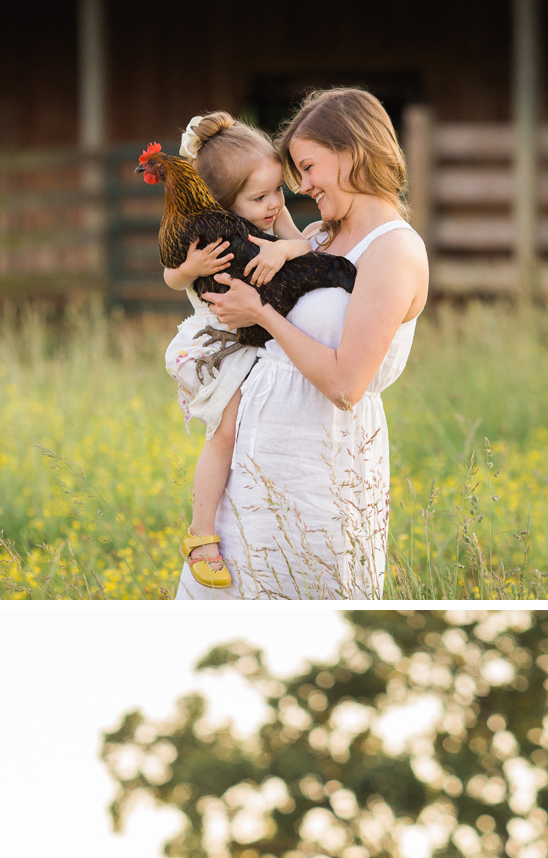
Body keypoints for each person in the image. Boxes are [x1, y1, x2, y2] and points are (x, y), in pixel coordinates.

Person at [176, 86, 428, 600]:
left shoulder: (394, 250)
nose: (304, 184)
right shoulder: (319, 235)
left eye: (309, 167)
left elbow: (344, 384)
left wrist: (260, 313)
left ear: (352, 152)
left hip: (319, 465)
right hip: (253, 460)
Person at [163, 112, 326, 590]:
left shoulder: (271, 216)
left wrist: (284, 249)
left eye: (279, 189)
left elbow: (302, 247)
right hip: (220, 346)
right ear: (224, 204)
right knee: (226, 433)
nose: (275, 203)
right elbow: (172, 278)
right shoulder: (211, 233)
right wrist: (188, 267)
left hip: (250, 342)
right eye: (260, 197)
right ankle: (201, 534)